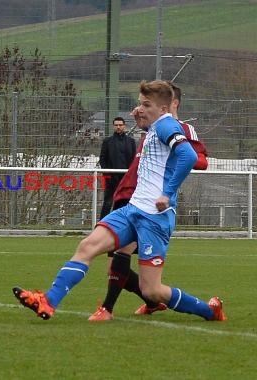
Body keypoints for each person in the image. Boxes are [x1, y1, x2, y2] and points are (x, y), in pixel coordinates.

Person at [13, 80, 226, 322]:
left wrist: (167, 193)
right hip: (133, 210)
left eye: (146, 104)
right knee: (87, 247)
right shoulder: (157, 126)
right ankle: (48, 302)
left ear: (164, 109)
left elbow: (188, 155)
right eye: (139, 103)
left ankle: (210, 312)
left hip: (154, 218)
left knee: (152, 290)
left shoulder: (167, 126)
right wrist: (142, 116)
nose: (140, 108)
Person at [88, 81, 209, 321]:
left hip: (151, 205)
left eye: (149, 103)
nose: (145, 107)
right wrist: (140, 118)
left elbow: (199, 160)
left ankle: (108, 309)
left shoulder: (182, 129)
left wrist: (175, 158)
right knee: (116, 259)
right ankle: (150, 302)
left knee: (120, 256)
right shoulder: (152, 129)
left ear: (173, 103)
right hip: (129, 194)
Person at [98, 117, 136, 219]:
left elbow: (134, 159)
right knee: (108, 202)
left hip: (126, 178)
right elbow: (102, 159)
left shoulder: (131, 142)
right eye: (116, 125)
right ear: (113, 126)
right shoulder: (107, 141)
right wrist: (107, 174)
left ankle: (121, 225)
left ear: (124, 126)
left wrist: (130, 176)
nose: (118, 127)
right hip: (111, 178)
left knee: (124, 201)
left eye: (120, 125)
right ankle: (102, 225)